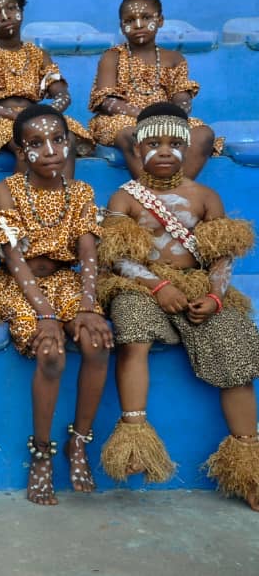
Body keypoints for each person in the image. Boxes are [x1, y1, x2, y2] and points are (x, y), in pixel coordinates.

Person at [97, 104, 259, 509]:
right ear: (138, 149)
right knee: (131, 330)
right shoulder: (126, 197)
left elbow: (221, 259)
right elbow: (118, 257)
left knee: (232, 347)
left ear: (187, 149)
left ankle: (249, 461)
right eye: (154, 143)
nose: (164, 151)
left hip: (197, 287)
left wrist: (216, 296)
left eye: (174, 144)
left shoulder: (205, 197)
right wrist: (157, 286)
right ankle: (134, 439)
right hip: (141, 284)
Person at [0, 105, 113, 506]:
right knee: (51, 353)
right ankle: (42, 453)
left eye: (58, 139)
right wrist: (45, 315)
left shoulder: (80, 192)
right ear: (22, 151)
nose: (52, 149)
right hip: (19, 287)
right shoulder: (6, 190)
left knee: (95, 341)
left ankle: (79, 442)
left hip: (66, 281)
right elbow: (12, 259)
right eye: (37, 143)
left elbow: (88, 254)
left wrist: (88, 306)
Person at [0, 0, 93, 176]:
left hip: (37, 116)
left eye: (11, 8)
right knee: (26, 140)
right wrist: (13, 115)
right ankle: (24, 201)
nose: (5, 16)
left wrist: (45, 114)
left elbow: (62, 94)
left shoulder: (38, 54)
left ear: (21, 10)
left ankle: (66, 198)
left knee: (67, 139)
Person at [88, 0, 220, 179]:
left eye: (146, 17)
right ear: (121, 25)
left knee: (203, 133)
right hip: (122, 119)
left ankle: (177, 190)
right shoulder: (112, 57)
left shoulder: (174, 58)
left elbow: (181, 96)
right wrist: (145, 117)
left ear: (160, 21)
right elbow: (106, 101)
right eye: (130, 20)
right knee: (133, 134)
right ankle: (148, 195)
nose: (138, 24)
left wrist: (175, 111)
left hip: (165, 117)